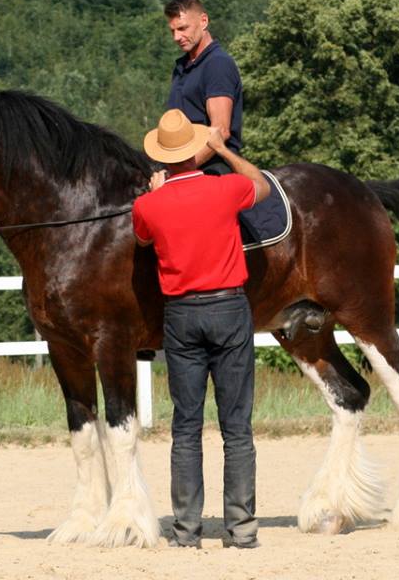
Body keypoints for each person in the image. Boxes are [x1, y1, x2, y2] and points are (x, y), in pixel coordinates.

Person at [132, 108, 270, 549]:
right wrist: (224, 151)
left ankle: (187, 531)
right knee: (237, 426)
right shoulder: (225, 189)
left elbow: (142, 238)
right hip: (229, 308)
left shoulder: (148, 205)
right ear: (195, 151)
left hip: (181, 315)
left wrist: (157, 192)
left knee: (186, 427)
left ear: (162, 159)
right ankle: (241, 530)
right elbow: (262, 185)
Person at [164, 0, 243, 176]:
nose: (177, 37)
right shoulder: (181, 67)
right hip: (183, 166)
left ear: (204, 21)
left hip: (215, 168)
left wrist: (179, 172)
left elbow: (220, 131)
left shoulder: (217, 64)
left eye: (183, 28)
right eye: (172, 31)